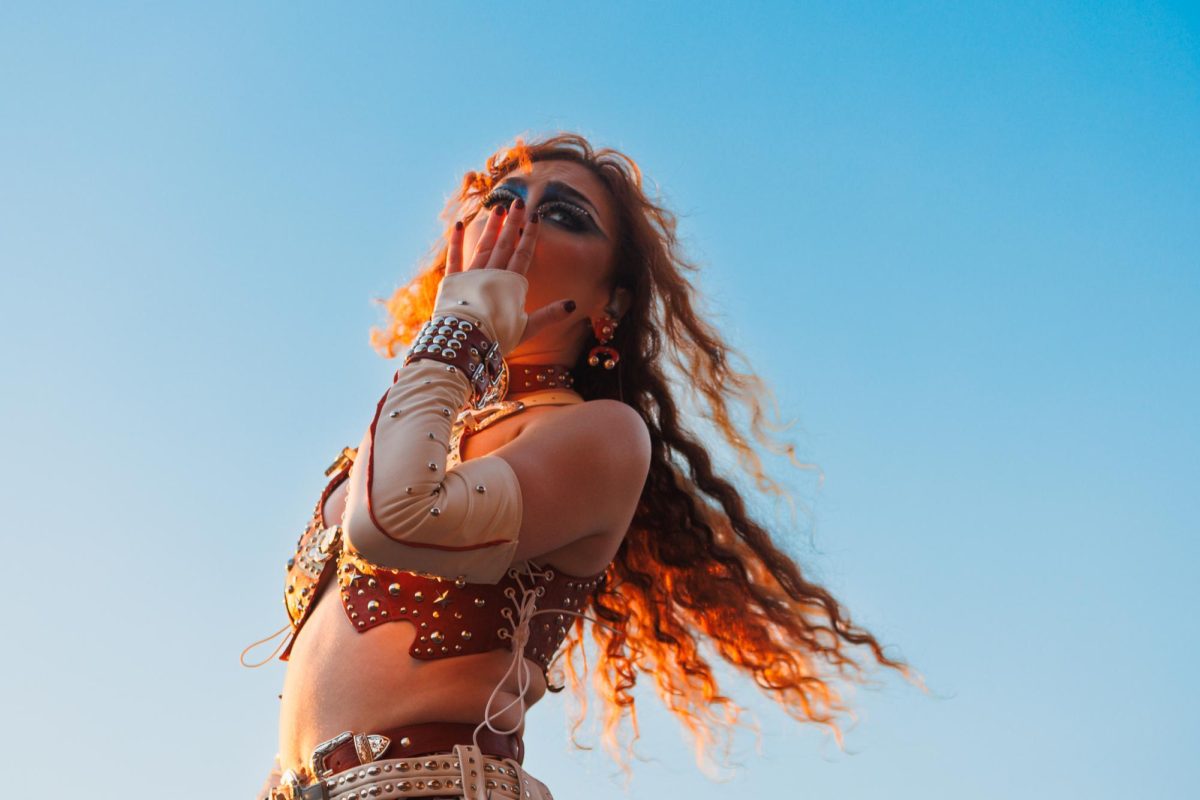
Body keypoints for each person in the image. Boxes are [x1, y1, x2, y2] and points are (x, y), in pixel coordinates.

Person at [243, 132, 924, 800]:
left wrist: (460, 329)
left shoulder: (602, 435)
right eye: (502, 197)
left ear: (612, 303)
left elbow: (397, 517)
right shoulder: (422, 421)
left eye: (563, 213)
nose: (517, 217)